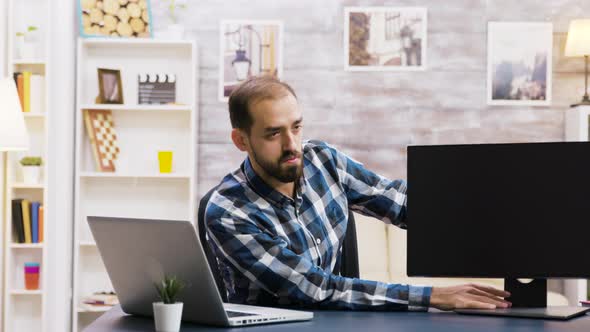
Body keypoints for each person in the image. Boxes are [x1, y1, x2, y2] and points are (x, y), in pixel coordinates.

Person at [204, 76, 511, 311]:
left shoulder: (323, 160)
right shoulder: (228, 212)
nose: (292, 145)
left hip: (336, 324)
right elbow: (313, 289)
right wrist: (433, 296)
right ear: (241, 140)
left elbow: (397, 201)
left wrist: (491, 213)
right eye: (274, 133)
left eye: (296, 127)